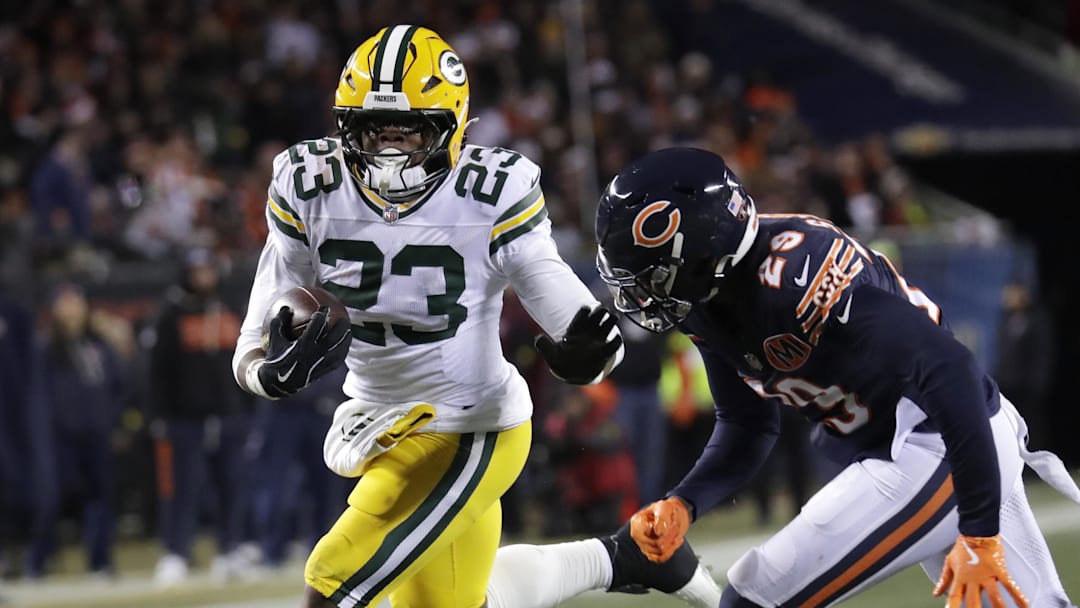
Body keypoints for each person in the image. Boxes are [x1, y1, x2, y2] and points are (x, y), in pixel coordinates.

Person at [229, 25, 632, 608]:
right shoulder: (308, 185)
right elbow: (255, 331)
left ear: (452, 127)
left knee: (332, 579)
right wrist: (265, 373)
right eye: (374, 131)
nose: (390, 150)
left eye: (411, 130)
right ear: (346, 127)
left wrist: (589, 360)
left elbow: (579, 319)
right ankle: (617, 558)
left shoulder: (491, 190)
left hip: (474, 426)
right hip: (380, 423)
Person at [588, 147, 1080, 607]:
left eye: (653, 276)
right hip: (932, 442)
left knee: (756, 596)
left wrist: (979, 531)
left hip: (940, 440)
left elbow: (951, 368)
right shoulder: (707, 300)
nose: (642, 297)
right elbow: (747, 422)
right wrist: (685, 502)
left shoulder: (800, 275)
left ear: (702, 253)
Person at [149, 249, 254, 585]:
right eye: (198, 271)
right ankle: (177, 553)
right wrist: (161, 415)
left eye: (208, 270)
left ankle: (230, 549)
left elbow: (247, 363)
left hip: (228, 417)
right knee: (183, 490)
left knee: (231, 487)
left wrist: (245, 410)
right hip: (185, 420)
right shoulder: (171, 314)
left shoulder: (228, 309)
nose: (204, 278)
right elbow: (157, 371)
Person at [25, 283, 126, 579]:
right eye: (64, 303)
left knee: (101, 497)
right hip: (58, 437)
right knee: (50, 499)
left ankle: (100, 562)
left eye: (75, 302)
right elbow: (37, 395)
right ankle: (38, 560)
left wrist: (114, 420)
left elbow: (120, 384)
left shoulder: (97, 344)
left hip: (96, 433)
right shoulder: (45, 347)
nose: (71, 309)